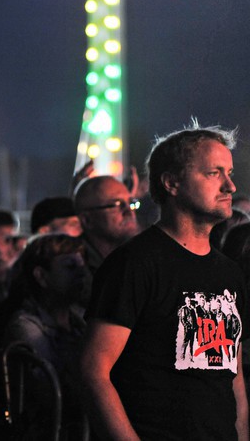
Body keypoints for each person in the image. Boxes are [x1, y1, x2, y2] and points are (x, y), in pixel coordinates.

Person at [81, 123, 249, 439]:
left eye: (229, 172)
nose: (229, 185)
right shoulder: (134, 263)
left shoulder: (229, 272)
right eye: (214, 173)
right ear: (172, 182)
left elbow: (234, 374)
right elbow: (94, 370)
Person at [3, 234, 88, 437]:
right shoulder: (26, 327)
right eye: (70, 267)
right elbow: (49, 392)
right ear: (41, 276)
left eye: (82, 266)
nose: (81, 274)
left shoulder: (79, 320)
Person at [73, 175, 140, 274]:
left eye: (131, 203)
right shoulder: (73, 267)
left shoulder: (140, 259)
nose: (129, 212)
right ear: (87, 220)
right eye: (116, 205)